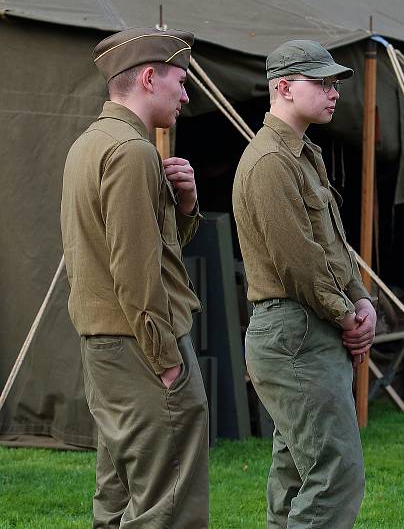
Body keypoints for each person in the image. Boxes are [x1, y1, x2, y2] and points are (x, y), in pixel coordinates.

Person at [60, 27, 208, 528]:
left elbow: (143, 251)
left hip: (109, 346)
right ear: (149, 77)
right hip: (141, 346)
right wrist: (167, 360)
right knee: (167, 500)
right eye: (181, 82)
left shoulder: (92, 144)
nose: (186, 95)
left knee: (120, 493)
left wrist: (183, 205)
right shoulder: (130, 152)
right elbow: (134, 269)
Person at [232, 39, 376, 528]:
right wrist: (346, 315)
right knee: (336, 473)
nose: (333, 92)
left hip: (309, 326)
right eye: (321, 82)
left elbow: (331, 247)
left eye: (335, 83)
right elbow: (298, 263)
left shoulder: (302, 153)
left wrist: (361, 300)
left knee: (296, 472)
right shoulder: (271, 161)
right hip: (295, 329)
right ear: (283, 87)